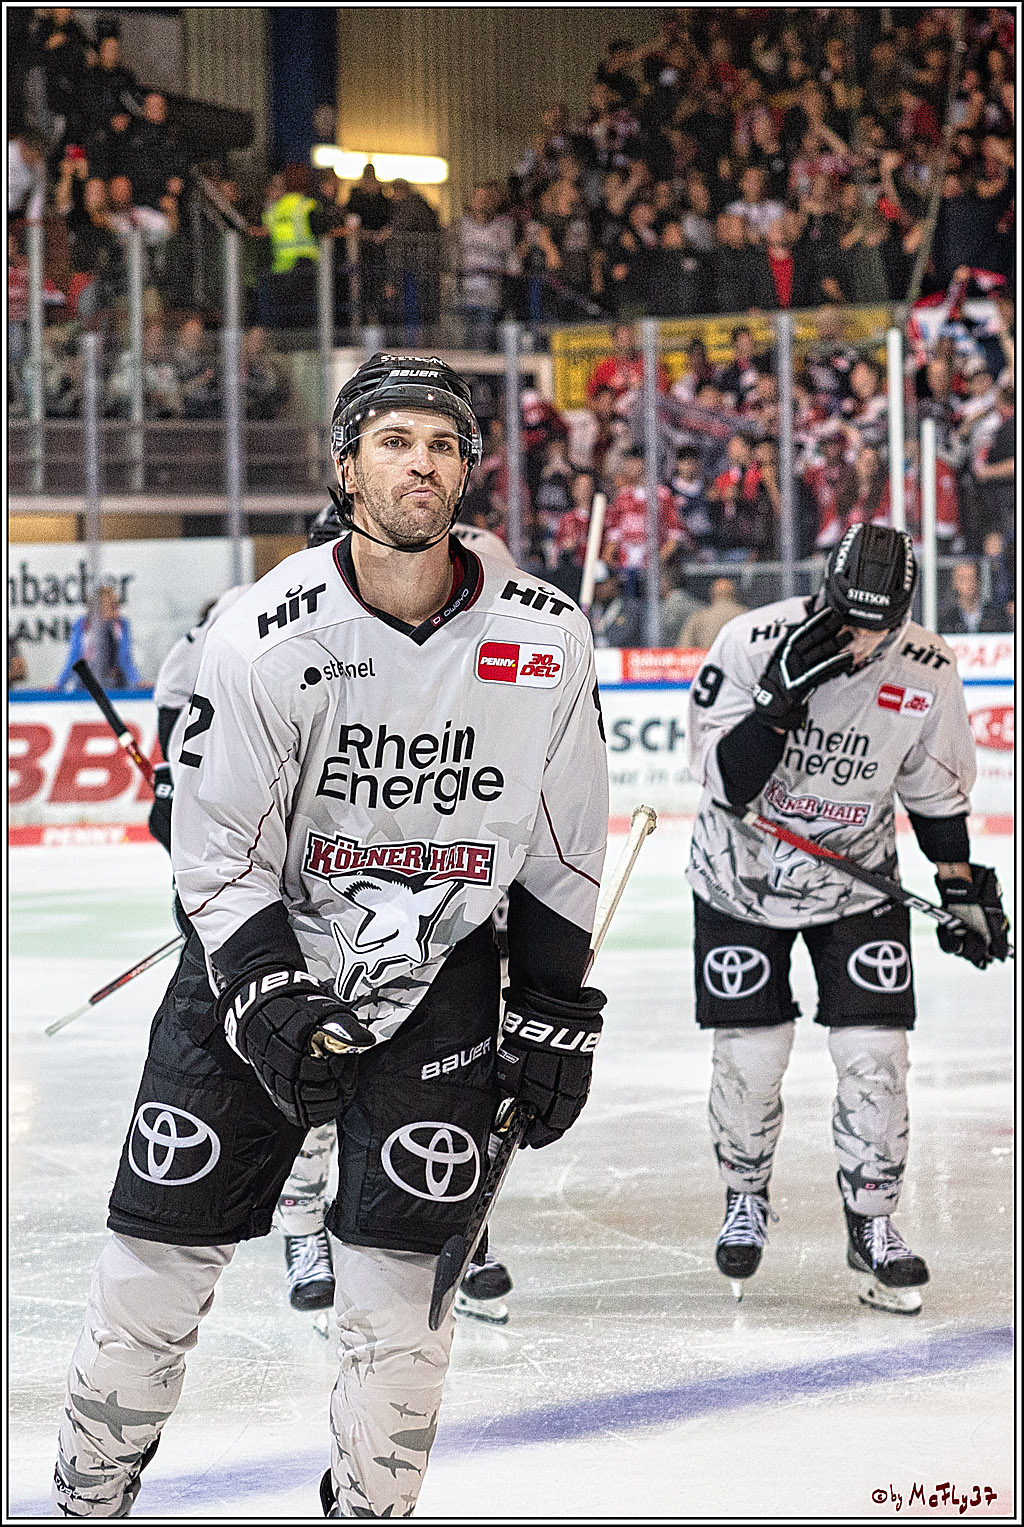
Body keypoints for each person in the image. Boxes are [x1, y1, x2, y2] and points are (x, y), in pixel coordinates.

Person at [54, 354, 609, 1518]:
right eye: (397, 439)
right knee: (150, 1276)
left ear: (468, 472)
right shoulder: (261, 628)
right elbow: (215, 850)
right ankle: (84, 1496)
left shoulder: (547, 635)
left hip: (438, 988)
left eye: (446, 444)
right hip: (257, 977)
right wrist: (265, 993)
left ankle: (369, 1506)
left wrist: (558, 1010)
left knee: (403, 1312)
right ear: (346, 463)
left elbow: (563, 842)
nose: (424, 462)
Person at [685, 524, 1009, 1315]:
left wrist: (960, 885)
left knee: (876, 1052)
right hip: (741, 877)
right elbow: (723, 784)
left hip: (858, 883)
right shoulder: (749, 640)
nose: (860, 638)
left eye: (878, 624)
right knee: (752, 1057)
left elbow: (934, 792)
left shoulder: (927, 666)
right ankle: (745, 1194)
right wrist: (774, 707)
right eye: (845, 616)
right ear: (822, 594)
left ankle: (873, 1219)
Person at [53, 584, 140, 693]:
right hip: (86, 682)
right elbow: (74, 659)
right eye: (111, 607)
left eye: (116, 606)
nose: (116, 612)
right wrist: (59, 685)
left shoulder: (121, 625)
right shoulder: (81, 625)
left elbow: (125, 658)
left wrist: (136, 682)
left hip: (115, 683)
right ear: (97, 609)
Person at [678, 577, 748, 649]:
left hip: (706, 659)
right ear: (735, 594)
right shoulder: (746, 616)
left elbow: (684, 649)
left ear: (712, 595)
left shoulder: (698, 618)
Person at [938, 561, 1006, 634]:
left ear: (979, 581)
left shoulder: (995, 614)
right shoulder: (946, 618)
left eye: (972, 577)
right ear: (955, 584)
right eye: (962, 579)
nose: (968, 583)